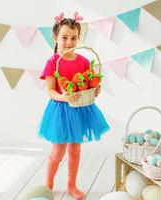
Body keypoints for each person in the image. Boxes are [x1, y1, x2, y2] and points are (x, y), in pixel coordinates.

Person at [38, 12, 110, 200]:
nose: (69, 42)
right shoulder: (53, 62)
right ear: (55, 38)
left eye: (73, 38)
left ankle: (71, 185)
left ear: (79, 39)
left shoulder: (84, 61)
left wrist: (95, 90)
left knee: (75, 150)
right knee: (58, 150)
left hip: (79, 110)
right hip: (61, 110)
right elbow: (51, 91)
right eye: (64, 38)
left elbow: (87, 84)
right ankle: (49, 183)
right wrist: (64, 97)